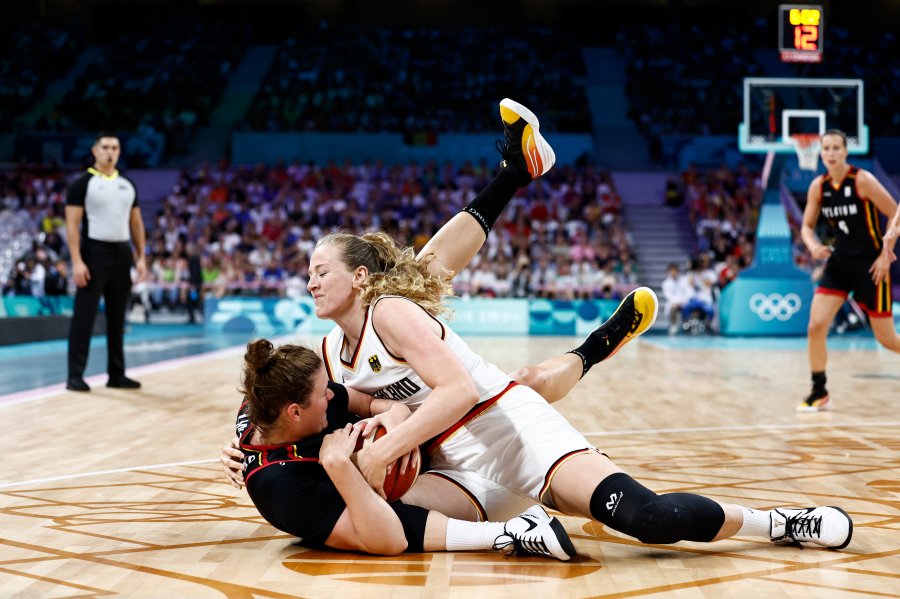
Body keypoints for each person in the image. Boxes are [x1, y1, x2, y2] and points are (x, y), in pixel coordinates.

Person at [227, 99, 852, 555]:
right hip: (451, 462)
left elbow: (458, 393)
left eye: (319, 270)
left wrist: (385, 448)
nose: (309, 281)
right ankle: (582, 334)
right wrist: (254, 440)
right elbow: (337, 403)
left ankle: (780, 521)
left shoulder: (391, 312)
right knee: (382, 516)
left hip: (507, 433)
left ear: (357, 279)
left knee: (648, 519)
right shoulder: (335, 351)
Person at [235, 338, 576, 560]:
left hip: (414, 435)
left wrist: (397, 419)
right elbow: (388, 540)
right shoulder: (282, 490)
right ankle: (508, 534)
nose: (331, 394)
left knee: (524, 382)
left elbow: (369, 402)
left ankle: (590, 352)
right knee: (387, 508)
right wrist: (339, 465)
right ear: (294, 413)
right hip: (395, 489)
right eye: (323, 393)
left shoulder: (272, 403)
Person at [799, 129, 900, 411]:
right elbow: (807, 226)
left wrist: (885, 252)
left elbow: (895, 213)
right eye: (826, 148)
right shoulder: (818, 186)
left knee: (888, 340)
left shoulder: (863, 181)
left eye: (835, 148)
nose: (830, 153)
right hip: (840, 263)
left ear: (845, 151)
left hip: (871, 265)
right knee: (815, 326)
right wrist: (813, 245)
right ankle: (819, 391)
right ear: (820, 153)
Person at [65, 133, 147, 392]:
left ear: (119, 152)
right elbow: (72, 226)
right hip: (93, 251)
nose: (110, 152)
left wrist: (141, 256)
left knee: (117, 316)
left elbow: (136, 223)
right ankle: (75, 376)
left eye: (114, 147)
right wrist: (77, 261)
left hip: (122, 253)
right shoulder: (82, 183)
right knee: (84, 316)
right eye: (105, 147)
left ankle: (116, 374)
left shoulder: (127, 184)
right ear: (95, 150)